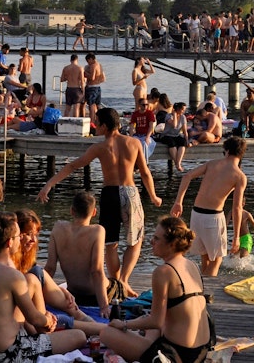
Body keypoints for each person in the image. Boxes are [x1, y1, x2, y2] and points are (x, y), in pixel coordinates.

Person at [37, 108, 162, 297]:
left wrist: (48, 185)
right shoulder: (134, 143)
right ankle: (124, 280)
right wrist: (153, 196)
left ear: (104, 126)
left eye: (97, 122)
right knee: (135, 240)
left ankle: (117, 282)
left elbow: (72, 166)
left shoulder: (99, 148)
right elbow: (144, 172)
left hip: (109, 193)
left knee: (111, 243)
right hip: (130, 192)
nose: (95, 126)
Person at [0, 213, 87, 362]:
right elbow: (34, 318)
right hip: (8, 355)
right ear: (10, 242)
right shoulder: (12, 276)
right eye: (18, 237)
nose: (20, 240)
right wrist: (48, 320)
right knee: (79, 336)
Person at [100, 216, 214, 363]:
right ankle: (146, 343)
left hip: (179, 354)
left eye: (156, 238)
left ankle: (148, 348)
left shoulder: (163, 272)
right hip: (202, 349)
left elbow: (156, 322)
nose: (151, 241)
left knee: (106, 333)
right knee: (148, 323)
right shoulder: (191, 265)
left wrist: (124, 324)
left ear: (172, 244)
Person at [13, 209, 100, 334]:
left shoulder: (26, 257)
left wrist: (62, 290)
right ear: (16, 234)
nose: (33, 240)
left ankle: (84, 319)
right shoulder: (7, 261)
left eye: (36, 235)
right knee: (72, 329)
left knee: (37, 272)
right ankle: (97, 327)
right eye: (28, 234)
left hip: (29, 308)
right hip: (23, 312)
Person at [170, 136, 247, 275]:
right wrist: (236, 237)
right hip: (213, 217)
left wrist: (178, 202)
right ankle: (205, 293)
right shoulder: (239, 176)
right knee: (216, 260)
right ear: (241, 154)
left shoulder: (212, 164)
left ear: (227, 151)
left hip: (196, 215)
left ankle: (201, 289)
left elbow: (187, 176)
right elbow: (237, 208)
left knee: (205, 256)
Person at [47, 191, 126, 319]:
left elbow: (50, 268)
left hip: (74, 293)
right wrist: (104, 307)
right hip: (95, 296)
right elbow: (97, 271)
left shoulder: (58, 228)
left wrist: (41, 293)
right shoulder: (97, 231)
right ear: (94, 212)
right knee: (119, 285)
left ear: (72, 210)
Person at [160, 102, 190, 172]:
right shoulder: (168, 116)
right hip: (166, 135)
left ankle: (178, 163)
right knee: (172, 143)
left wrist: (187, 140)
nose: (184, 111)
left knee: (182, 142)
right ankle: (177, 163)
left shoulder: (183, 117)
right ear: (178, 109)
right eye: (183, 109)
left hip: (176, 135)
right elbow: (174, 125)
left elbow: (185, 131)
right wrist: (174, 114)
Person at [60, 53, 85, 118]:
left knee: (67, 108)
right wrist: (83, 91)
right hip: (76, 89)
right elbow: (82, 81)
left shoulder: (66, 68)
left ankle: (65, 122)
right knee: (76, 108)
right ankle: (75, 124)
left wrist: (68, 77)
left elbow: (62, 79)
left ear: (70, 60)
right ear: (77, 60)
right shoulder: (80, 68)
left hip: (69, 88)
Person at [83, 52, 105, 119]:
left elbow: (92, 77)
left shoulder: (93, 66)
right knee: (98, 105)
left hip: (92, 88)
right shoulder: (99, 65)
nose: (88, 63)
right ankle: (100, 120)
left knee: (91, 105)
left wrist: (84, 73)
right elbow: (103, 78)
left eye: (88, 61)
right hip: (98, 87)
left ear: (91, 59)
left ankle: (92, 122)